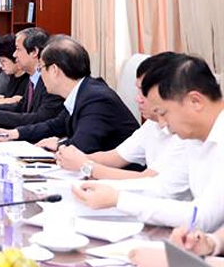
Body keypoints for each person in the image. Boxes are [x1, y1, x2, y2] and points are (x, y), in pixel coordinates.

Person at [72, 54, 224, 232]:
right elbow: (162, 186)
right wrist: (109, 191)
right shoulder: (194, 136)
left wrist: (119, 199)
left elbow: (202, 217)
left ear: (195, 101)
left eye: (164, 113)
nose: (162, 124)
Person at [0, 35, 139, 153]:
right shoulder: (80, 93)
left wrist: (60, 143)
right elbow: (53, 126)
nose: (40, 75)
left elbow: (81, 147)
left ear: (54, 70)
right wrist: (13, 133)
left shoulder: (96, 99)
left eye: (41, 68)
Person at [55, 52, 189, 184]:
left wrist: (85, 166)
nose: (138, 99)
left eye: (144, 91)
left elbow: (149, 181)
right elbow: (115, 157)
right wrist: (76, 158)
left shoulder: (184, 132)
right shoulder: (152, 124)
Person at [0, 27, 63, 128]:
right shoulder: (33, 78)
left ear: (34, 52)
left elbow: (40, 118)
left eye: (18, 49)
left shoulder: (50, 81)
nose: (14, 54)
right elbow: (21, 106)